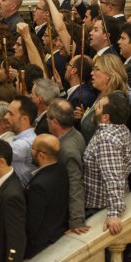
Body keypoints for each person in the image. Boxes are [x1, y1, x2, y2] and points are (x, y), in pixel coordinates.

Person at [84, 93, 131, 235]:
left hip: (100, 206)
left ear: (106, 117)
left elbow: (113, 177)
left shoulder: (106, 139)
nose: (94, 110)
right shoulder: (121, 128)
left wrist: (113, 214)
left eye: (98, 107)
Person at [47, 99, 88, 234]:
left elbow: (75, 183)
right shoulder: (74, 133)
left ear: (55, 122)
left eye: (47, 117)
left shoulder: (67, 150)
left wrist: (76, 220)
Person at [25, 134, 69, 258]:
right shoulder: (61, 168)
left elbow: (32, 224)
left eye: (32, 148)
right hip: (57, 233)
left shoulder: (38, 186)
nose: (30, 151)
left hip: (40, 245)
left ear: (41, 155)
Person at [78, 54, 129, 144]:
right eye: (93, 69)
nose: (92, 73)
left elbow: (109, 140)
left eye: (97, 69)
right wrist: (85, 117)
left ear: (109, 74)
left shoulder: (116, 101)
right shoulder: (102, 94)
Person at [4, 96, 38, 187]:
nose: (6, 117)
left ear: (24, 119)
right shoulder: (19, 138)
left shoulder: (25, 144)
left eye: (11, 114)